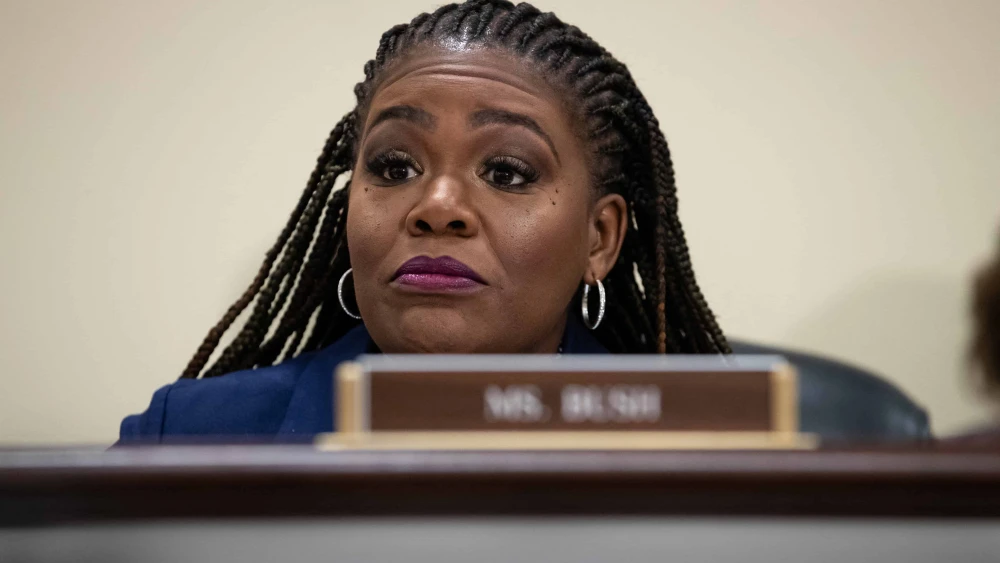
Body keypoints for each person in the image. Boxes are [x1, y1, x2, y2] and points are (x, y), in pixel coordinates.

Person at [119, 0, 728, 442]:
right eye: (393, 166)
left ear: (599, 238)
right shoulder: (189, 436)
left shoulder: (704, 450)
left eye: (507, 173)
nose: (437, 207)